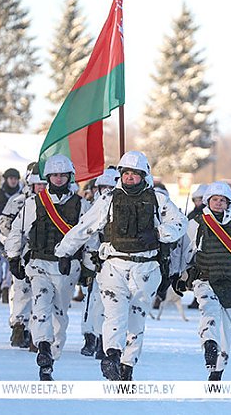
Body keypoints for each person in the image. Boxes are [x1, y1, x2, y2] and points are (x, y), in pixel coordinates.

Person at [53, 151, 187, 381]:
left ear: (144, 175)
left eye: (135, 174)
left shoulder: (158, 200)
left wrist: (157, 233)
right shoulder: (108, 199)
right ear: (121, 175)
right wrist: (64, 251)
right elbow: (85, 227)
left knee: (136, 320)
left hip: (146, 269)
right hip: (114, 265)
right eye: (126, 173)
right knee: (114, 315)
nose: (130, 178)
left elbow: (179, 224)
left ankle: (127, 365)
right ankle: (112, 354)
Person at [4, 155, 91, 380]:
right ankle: (42, 348)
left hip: (67, 269)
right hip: (39, 264)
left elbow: (90, 237)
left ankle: (52, 353)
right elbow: (17, 231)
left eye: (63, 175)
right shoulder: (34, 203)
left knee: (59, 314)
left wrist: (90, 267)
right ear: (48, 177)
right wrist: (13, 257)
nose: (59, 179)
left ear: (69, 177)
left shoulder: (82, 205)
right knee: (41, 305)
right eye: (54, 175)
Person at [173, 182, 231, 380]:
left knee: (226, 330)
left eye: (222, 200)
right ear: (208, 201)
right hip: (204, 279)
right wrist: (179, 275)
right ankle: (209, 344)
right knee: (209, 311)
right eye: (214, 199)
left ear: (228, 203)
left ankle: (217, 370)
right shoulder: (196, 223)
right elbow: (184, 252)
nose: (218, 203)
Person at [0, 162, 42, 351]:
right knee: (21, 292)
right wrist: (13, 246)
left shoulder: (57, 203)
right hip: (23, 256)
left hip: (47, 257)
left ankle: (38, 334)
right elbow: (2, 226)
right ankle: (20, 327)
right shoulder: (18, 201)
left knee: (44, 297)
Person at [77, 166, 120, 359]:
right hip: (94, 260)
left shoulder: (122, 206)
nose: (105, 191)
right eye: (102, 187)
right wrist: (90, 259)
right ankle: (90, 336)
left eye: (109, 187)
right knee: (92, 301)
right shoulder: (91, 207)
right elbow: (86, 233)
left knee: (110, 304)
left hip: (116, 260)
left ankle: (106, 340)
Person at [0, 167, 23, 302]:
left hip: (16, 234)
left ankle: (6, 288)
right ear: (6, 179)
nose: (13, 181)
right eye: (11, 178)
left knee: (12, 263)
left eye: (15, 179)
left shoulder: (21, 195)